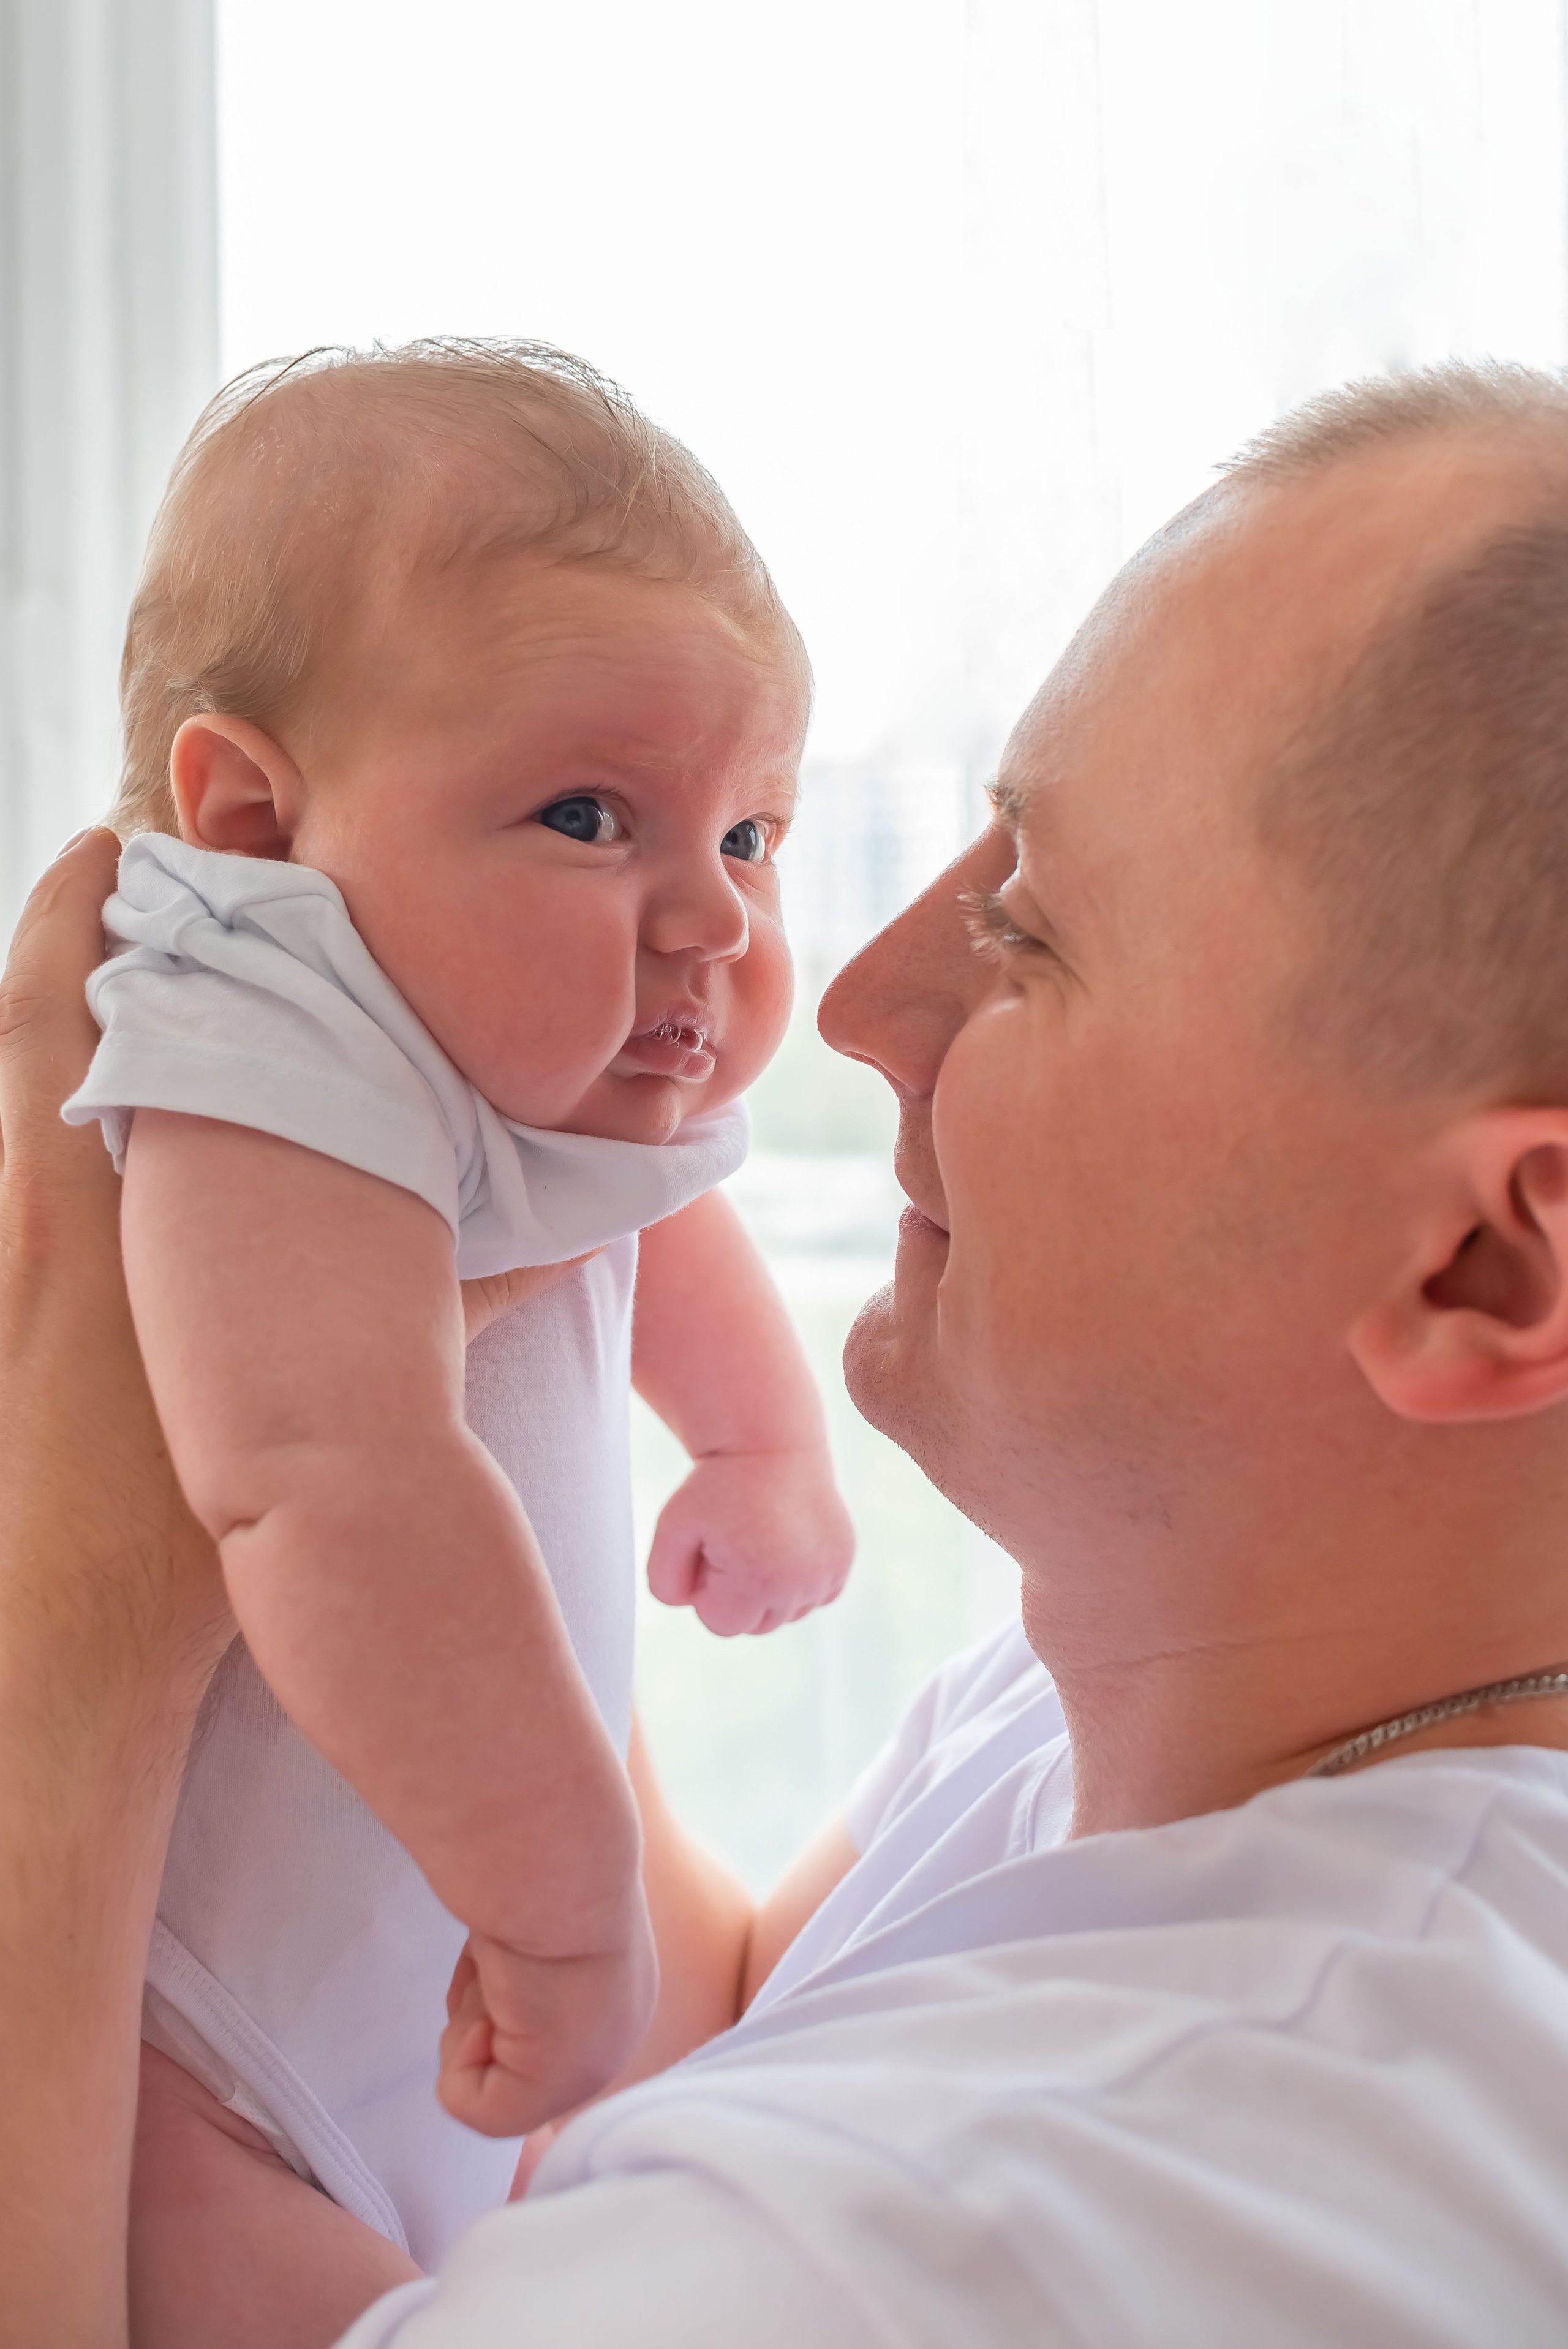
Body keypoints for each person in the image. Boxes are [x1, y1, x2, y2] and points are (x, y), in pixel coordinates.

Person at [7, 357, 1568, 2349]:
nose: (838, 1001)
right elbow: (735, 2007)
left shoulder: (884, 2257)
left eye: (1028, 926)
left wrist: (61, 1638)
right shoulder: (1135, 1712)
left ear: (1491, 1267)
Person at [57, 339, 853, 2340]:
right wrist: (568, 1906)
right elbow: (333, 1478)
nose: (715, 921)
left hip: (463, 1971)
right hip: (205, 2070)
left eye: (749, 836)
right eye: (595, 815)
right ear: (250, 815)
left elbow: (658, 1221)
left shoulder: (533, 1067)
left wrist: (761, 1443)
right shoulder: (250, 1026)